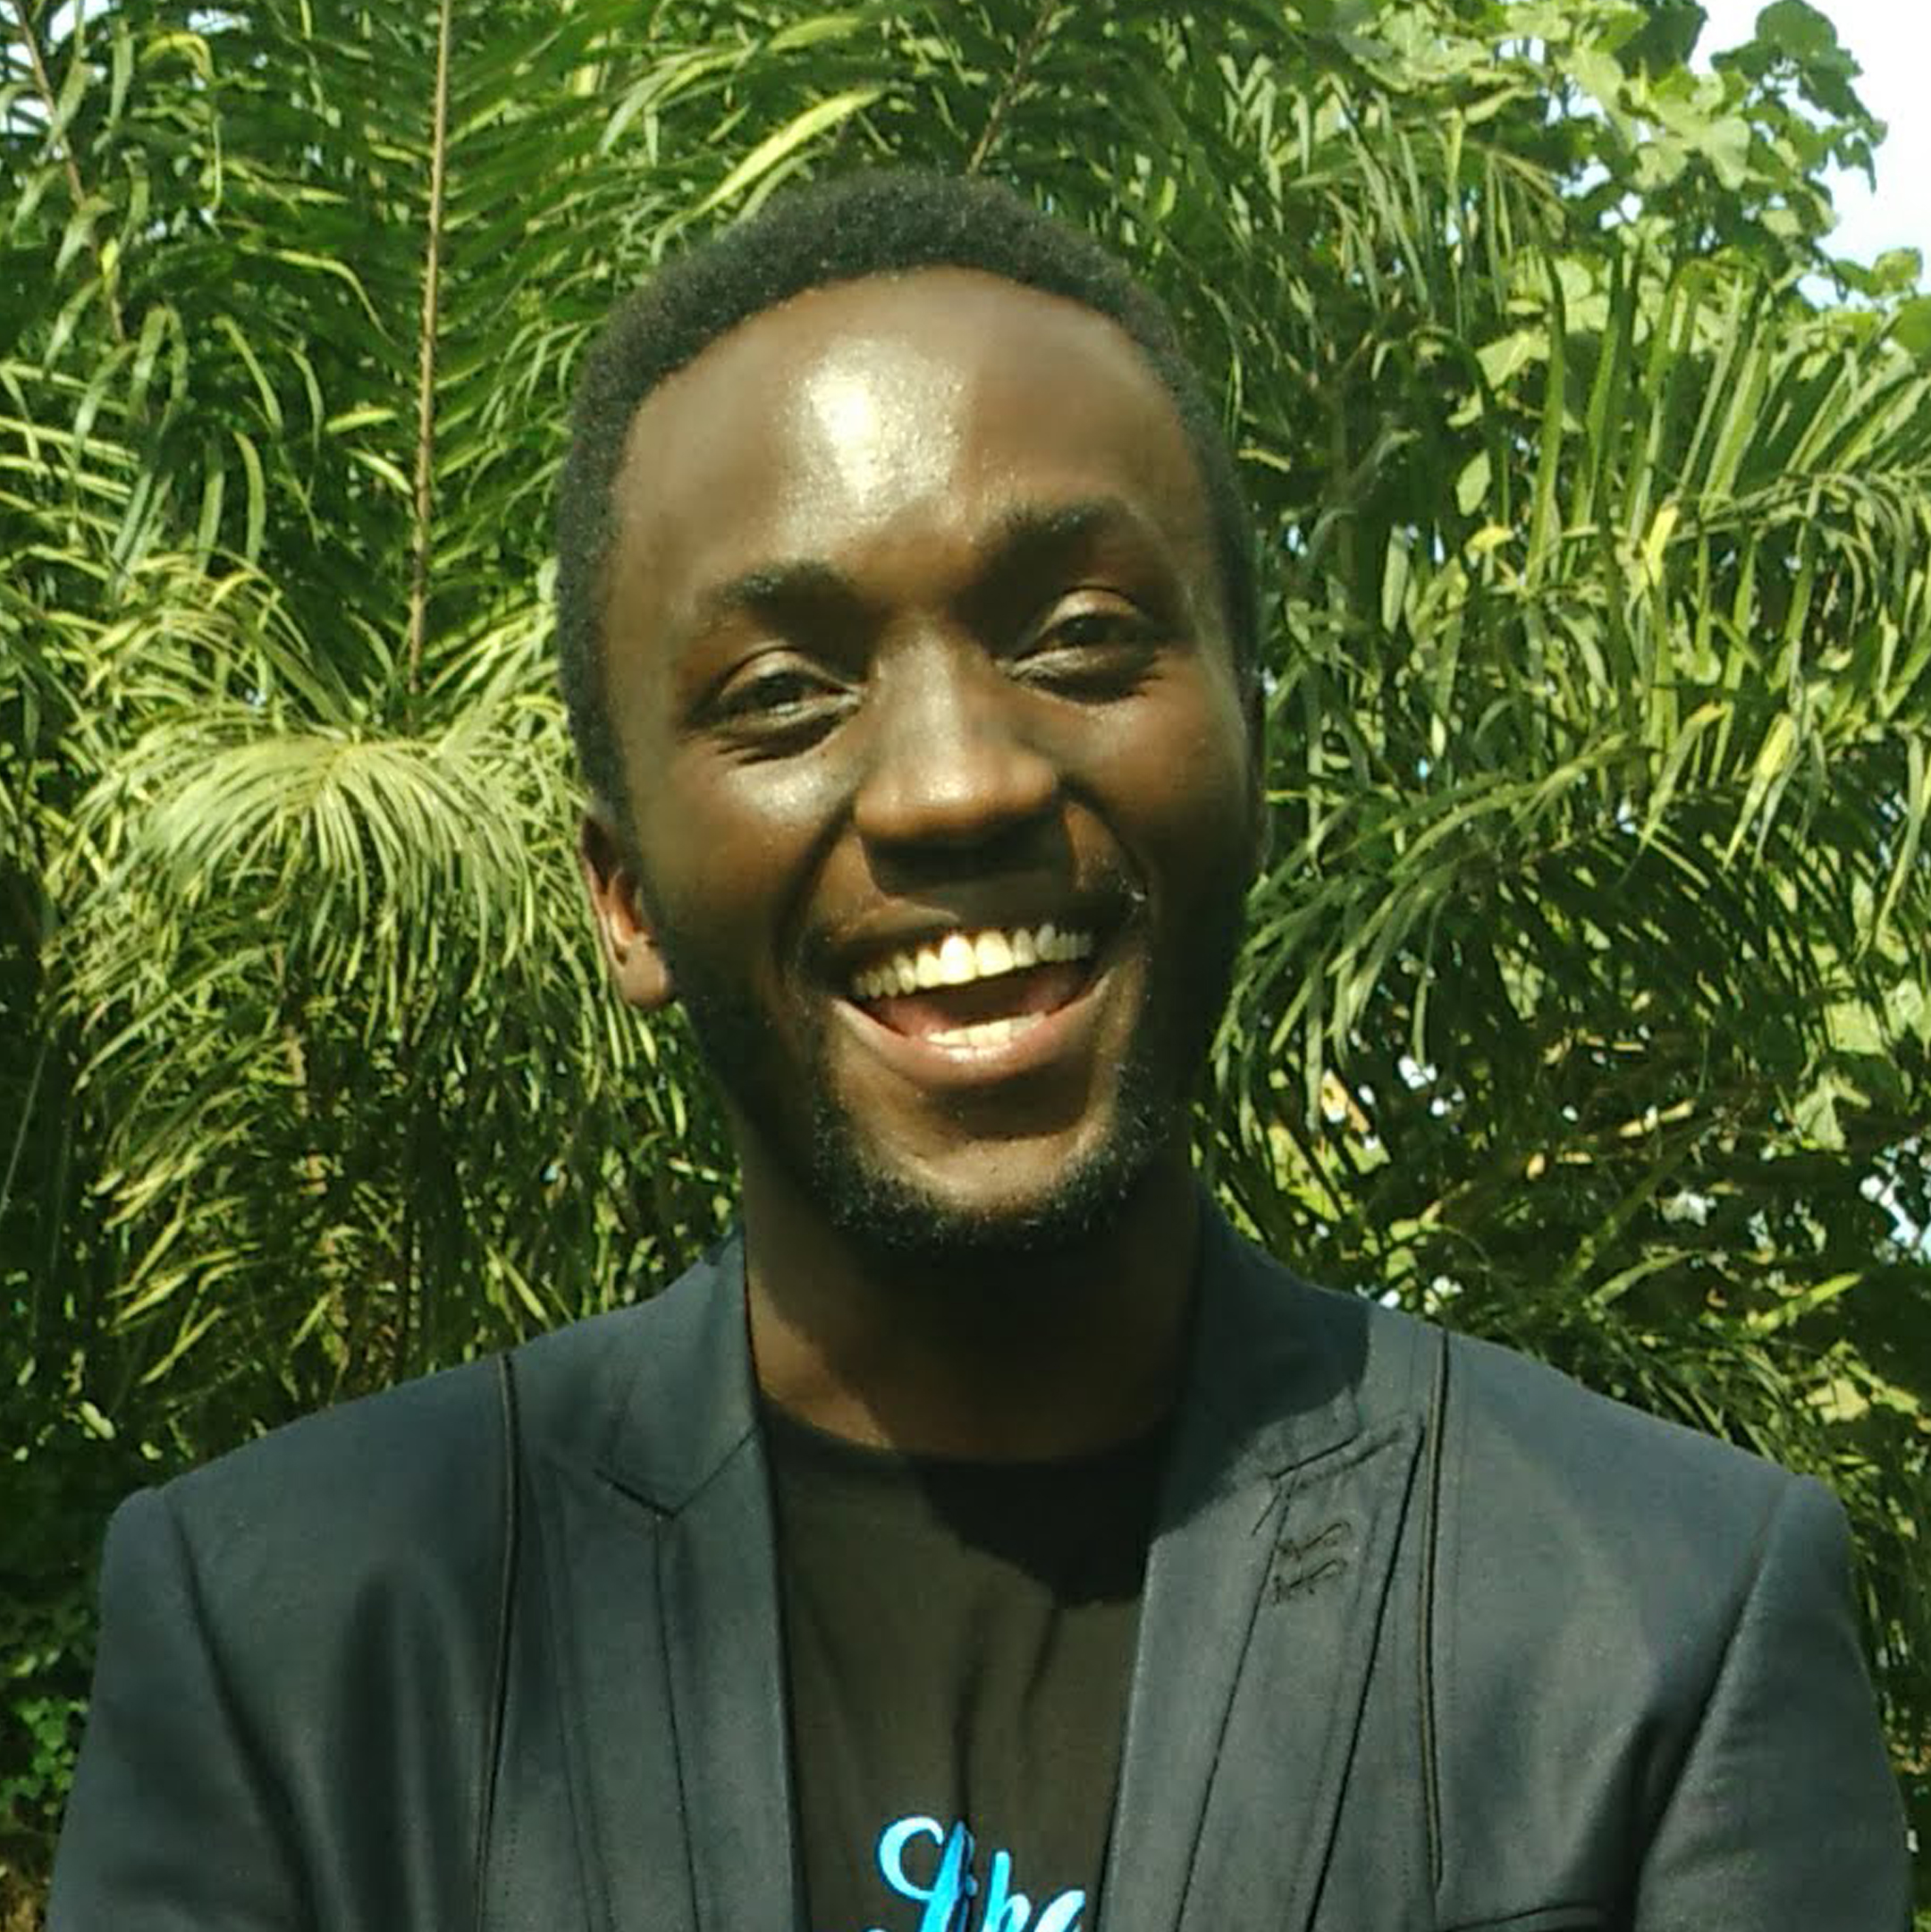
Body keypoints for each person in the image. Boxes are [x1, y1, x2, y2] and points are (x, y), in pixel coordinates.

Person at [48, 167, 1910, 1932]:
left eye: (1081, 636)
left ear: (1256, 754)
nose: (955, 783)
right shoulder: (296, 1642)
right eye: (784, 692)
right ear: (624, 898)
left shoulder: (1655, 1621)